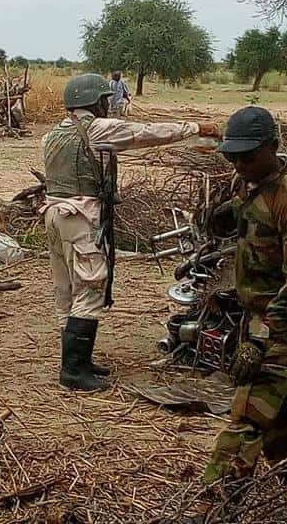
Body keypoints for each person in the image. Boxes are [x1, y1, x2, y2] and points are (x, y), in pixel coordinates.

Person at [42, 73, 219, 391]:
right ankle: (73, 371)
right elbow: (147, 133)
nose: (108, 105)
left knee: (64, 290)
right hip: (80, 218)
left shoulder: (52, 135)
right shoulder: (97, 129)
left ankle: (76, 361)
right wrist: (195, 128)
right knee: (90, 287)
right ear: (96, 103)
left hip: (54, 216)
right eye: (105, 100)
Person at [199, 106, 287, 503]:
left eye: (247, 155)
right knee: (279, 419)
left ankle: (212, 505)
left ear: (273, 146)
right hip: (259, 314)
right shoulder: (251, 184)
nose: (238, 164)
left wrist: (260, 338)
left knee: (248, 417)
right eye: (231, 156)